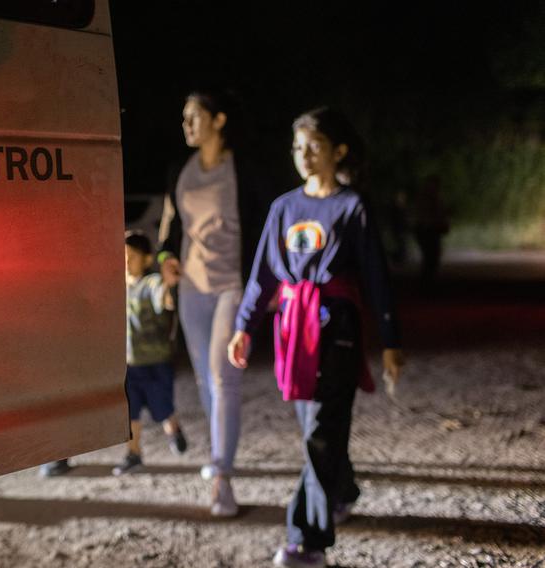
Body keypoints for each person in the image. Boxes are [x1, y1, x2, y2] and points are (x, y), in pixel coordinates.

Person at [228, 107, 405, 568]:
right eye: (297, 147)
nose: (303, 155)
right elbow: (262, 275)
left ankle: (307, 541)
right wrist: (243, 327)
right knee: (317, 428)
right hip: (293, 330)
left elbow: (375, 277)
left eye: (314, 147)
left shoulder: (352, 207)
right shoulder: (283, 208)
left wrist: (391, 340)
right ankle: (342, 490)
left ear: (337, 152)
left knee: (322, 431)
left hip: (337, 329)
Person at [158, 90, 267, 516]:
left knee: (224, 376)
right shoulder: (178, 173)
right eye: (184, 117)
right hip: (191, 290)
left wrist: (269, 286)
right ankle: (221, 454)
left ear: (219, 120)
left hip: (232, 286)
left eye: (195, 116)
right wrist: (166, 260)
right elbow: (170, 232)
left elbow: (266, 227)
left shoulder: (246, 171)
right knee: (205, 380)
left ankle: (221, 474)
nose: (187, 124)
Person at [113, 230, 187, 475]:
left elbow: (163, 296)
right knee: (130, 413)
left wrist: (168, 287)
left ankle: (173, 430)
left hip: (156, 363)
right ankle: (133, 453)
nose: (126, 261)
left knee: (163, 408)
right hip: (129, 365)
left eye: (132, 256)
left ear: (146, 259)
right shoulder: (116, 287)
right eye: (122, 255)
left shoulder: (151, 283)